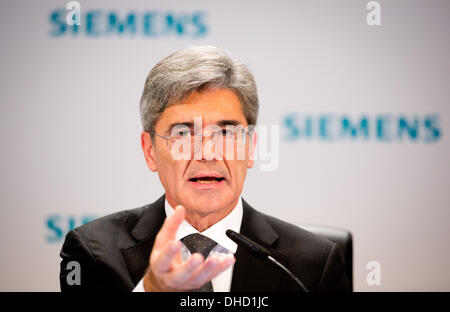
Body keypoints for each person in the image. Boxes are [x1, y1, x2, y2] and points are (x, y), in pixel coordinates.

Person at [59, 46, 350, 292]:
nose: (208, 153)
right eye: (184, 134)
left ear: (250, 148)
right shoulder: (93, 253)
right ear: (150, 151)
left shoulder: (313, 264)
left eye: (226, 133)